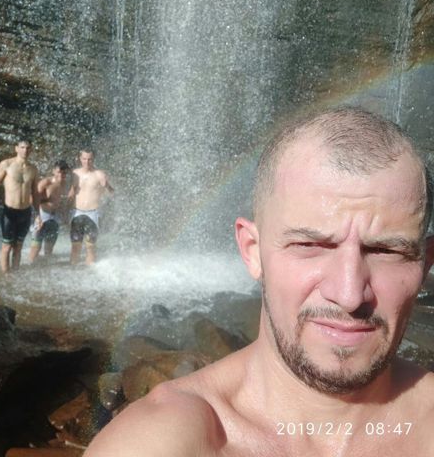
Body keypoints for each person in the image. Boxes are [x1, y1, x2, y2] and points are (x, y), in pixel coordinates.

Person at [84, 108, 434, 456]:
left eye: (387, 250)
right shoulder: (158, 443)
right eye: (309, 245)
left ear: (426, 263)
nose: (349, 294)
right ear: (252, 251)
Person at [0, 139, 40, 273]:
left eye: (27, 148)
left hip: (25, 212)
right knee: (7, 246)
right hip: (9, 212)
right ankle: (6, 275)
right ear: (16, 148)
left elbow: (35, 192)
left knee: (18, 246)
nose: (25, 150)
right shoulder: (6, 164)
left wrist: (38, 214)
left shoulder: (33, 169)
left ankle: (15, 273)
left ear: (31, 150)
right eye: (22, 147)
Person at [69, 149, 114, 265]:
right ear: (80, 159)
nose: (87, 162)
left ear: (93, 159)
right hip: (77, 213)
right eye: (84, 159)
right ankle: (73, 270)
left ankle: (89, 272)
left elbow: (111, 193)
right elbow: (70, 192)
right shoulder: (75, 174)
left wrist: (107, 186)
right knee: (75, 246)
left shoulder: (99, 174)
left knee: (90, 247)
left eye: (89, 159)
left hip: (92, 214)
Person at [28, 160, 70, 264]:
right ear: (53, 171)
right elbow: (32, 199)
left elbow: (62, 202)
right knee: (36, 248)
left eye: (64, 172)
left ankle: (45, 269)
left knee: (49, 249)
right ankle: (30, 267)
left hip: (55, 218)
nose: (61, 175)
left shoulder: (66, 184)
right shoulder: (46, 183)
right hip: (43, 216)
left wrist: (65, 216)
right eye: (59, 172)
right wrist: (37, 217)